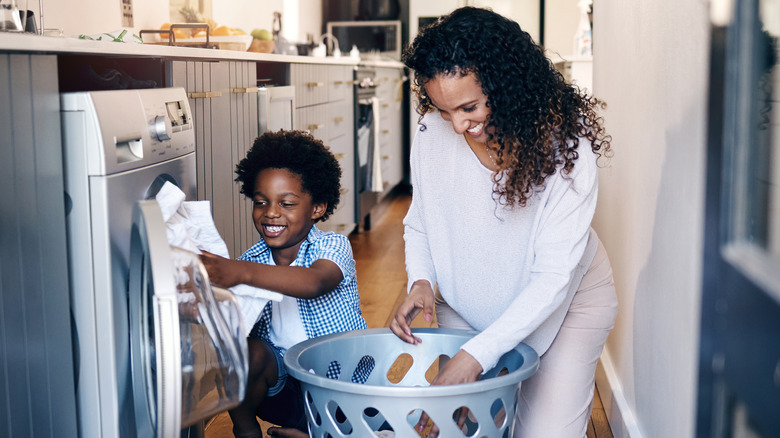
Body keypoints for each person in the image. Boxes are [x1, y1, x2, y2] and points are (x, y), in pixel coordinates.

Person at [389, 7, 618, 437]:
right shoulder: (431, 132)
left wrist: (476, 358)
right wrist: (420, 280)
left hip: (565, 304)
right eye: (443, 109)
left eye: (469, 107)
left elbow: (552, 278)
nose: (457, 125)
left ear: (506, 84)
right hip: (468, 304)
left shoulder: (566, 147)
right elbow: (420, 222)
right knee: (455, 430)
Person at [200, 130, 367, 438]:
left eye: (286, 203)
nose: (271, 213)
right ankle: (249, 432)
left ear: (317, 208)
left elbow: (315, 282)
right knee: (244, 352)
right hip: (283, 390)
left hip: (344, 389)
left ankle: (308, 434)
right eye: (261, 202)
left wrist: (240, 273)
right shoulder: (252, 259)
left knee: (370, 428)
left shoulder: (332, 246)